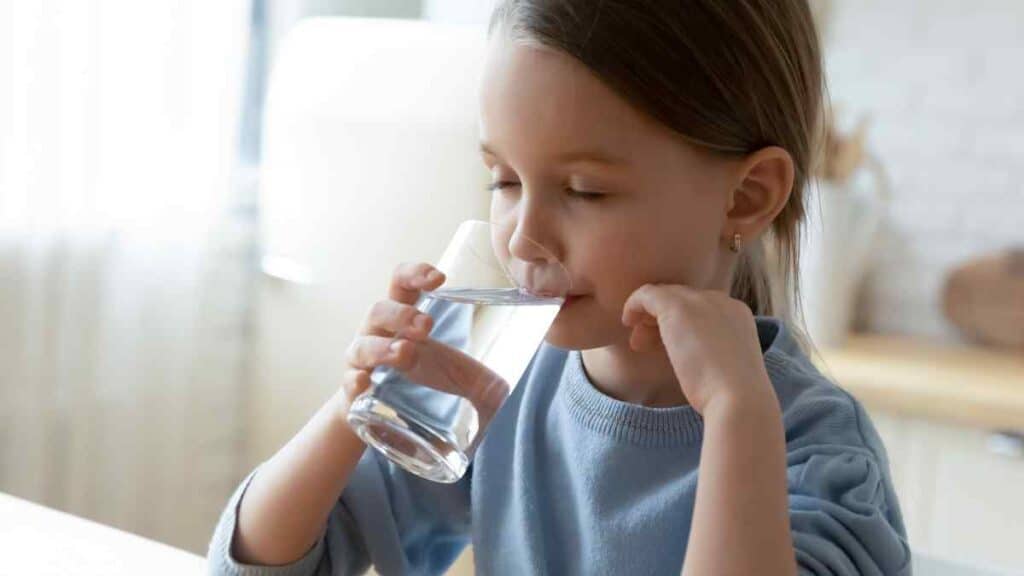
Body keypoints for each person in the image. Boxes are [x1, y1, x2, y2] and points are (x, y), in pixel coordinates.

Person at [208, 1, 910, 574]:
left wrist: (735, 415)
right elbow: (257, 567)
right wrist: (350, 408)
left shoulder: (815, 450)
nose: (522, 237)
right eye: (504, 180)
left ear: (746, 198)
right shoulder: (495, 383)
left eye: (585, 190)